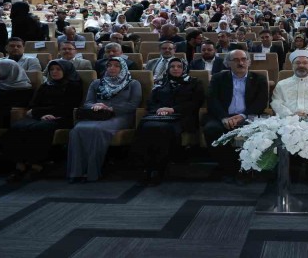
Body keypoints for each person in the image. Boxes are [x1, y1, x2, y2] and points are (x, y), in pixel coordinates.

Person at [2, 60, 83, 182]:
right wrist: (42, 114)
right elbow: (33, 105)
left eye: (58, 69)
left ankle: (36, 164)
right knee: (18, 127)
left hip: (62, 117)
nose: (54, 72)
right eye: (52, 69)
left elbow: (68, 107)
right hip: (40, 116)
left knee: (40, 129)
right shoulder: (45, 85)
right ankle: (19, 164)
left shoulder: (74, 86)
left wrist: (45, 113)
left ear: (66, 71)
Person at [67, 57, 142, 183]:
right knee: (78, 129)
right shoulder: (97, 83)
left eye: (117, 66)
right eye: (109, 65)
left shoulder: (133, 83)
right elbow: (88, 102)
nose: (112, 68)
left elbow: (134, 105)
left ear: (123, 68)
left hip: (121, 115)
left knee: (98, 129)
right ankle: (77, 171)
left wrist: (111, 108)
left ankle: (92, 171)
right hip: (98, 114)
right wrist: (95, 106)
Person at [134, 58, 204, 186]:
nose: (176, 69)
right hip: (158, 115)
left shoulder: (194, 83)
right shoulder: (160, 83)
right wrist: (159, 110)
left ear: (184, 69)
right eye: (172, 66)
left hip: (182, 116)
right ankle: (145, 167)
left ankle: (159, 169)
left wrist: (172, 109)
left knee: (163, 129)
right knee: (145, 127)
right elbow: (151, 102)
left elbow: (195, 103)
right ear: (168, 69)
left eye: (179, 66)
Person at [203, 50, 268, 182]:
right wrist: (224, 117)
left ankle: (248, 168)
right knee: (211, 129)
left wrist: (242, 116)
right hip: (223, 116)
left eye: (244, 59)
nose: (241, 63)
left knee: (254, 130)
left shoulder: (258, 79)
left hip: (247, 116)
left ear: (249, 62)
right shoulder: (218, 78)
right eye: (236, 60)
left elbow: (261, 102)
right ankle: (228, 168)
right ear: (228, 63)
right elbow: (212, 100)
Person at [271, 50, 308, 183]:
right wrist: (291, 115)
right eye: (297, 63)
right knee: (287, 134)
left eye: (305, 63)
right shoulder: (282, 84)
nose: (301, 65)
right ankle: (292, 171)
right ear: (292, 66)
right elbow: (276, 102)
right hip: (287, 121)